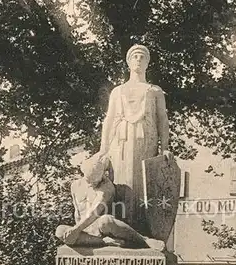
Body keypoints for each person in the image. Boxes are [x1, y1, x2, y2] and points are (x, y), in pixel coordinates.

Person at [100, 44, 172, 233]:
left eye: (142, 57)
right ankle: (119, 229)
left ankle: (140, 230)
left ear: (147, 63)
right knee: (121, 181)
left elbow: (162, 120)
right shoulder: (118, 91)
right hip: (121, 141)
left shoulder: (154, 91)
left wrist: (165, 147)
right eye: (135, 57)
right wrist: (103, 149)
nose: (138, 60)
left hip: (145, 139)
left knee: (142, 184)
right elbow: (108, 120)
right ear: (128, 62)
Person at [55, 152, 165, 251]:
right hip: (84, 232)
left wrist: (76, 230)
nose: (92, 184)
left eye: (95, 181)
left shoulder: (107, 188)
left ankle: (144, 240)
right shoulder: (75, 186)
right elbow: (77, 211)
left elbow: (95, 211)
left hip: (100, 228)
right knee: (60, 231)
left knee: (106, 220)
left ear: (102, 175)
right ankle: (104, 242)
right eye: (89, 181)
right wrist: (75, 231)